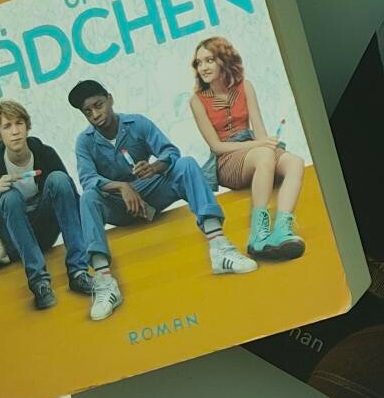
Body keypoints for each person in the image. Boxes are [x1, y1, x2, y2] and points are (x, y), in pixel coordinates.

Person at [68, 77, 257, 323]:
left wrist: (155, 167)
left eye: (98, 105)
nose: (95, 115)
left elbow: (170, 152)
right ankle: (105, 283)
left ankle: (220, 248)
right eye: (88, 112)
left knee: (186, 164)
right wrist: (122, 186)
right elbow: (88, 179)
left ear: (109, 99)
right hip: (120, 205)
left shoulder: (137, 123)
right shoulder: (84, 141)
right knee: (88, 198)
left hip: (152, 192)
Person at [188, 36, 308, 261]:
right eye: (199, 62)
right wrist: (260, 145)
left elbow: (260, 131)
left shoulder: (245, 86)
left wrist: (267, 143)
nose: (203, 67)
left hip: (256, 152)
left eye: (209, 60)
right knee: (264, 155)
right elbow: (216, 146)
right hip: (227, 160)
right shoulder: (197, 100)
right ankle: (257, 236)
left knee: (295, 162)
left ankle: (282, 230)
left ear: (224, 60)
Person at [0, 98, 94, 310]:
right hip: (15, 242)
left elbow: (70, 198)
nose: (15, 131)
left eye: (19, 123)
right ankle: (39, 283)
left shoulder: (45, 154)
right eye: (7, 126)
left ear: (27, 126)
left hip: (45, 231)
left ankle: (78, 272)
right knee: (9, 197)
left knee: (58, 179)